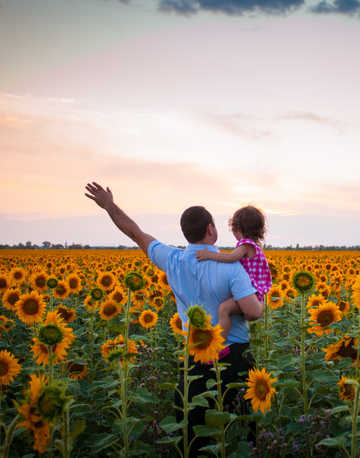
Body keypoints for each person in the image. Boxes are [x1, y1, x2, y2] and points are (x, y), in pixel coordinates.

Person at [84, 182, 263, 456]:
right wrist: (231, 306)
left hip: (196, 355)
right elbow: (253, 311)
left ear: (185, 233)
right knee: (241, 433)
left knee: (193, 433)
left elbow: (135, 232)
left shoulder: (172, 260)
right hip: (234, 354)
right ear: (211, 230)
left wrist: (109, 205)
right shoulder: (233, 268)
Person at [195, 205, 272, 343]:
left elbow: (231, 258)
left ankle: (218, 345)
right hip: (254, 293)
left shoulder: (246, 245)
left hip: (252, 294)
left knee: (223, 309)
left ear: (238, 228)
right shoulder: (254, 246)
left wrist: (209, 255)